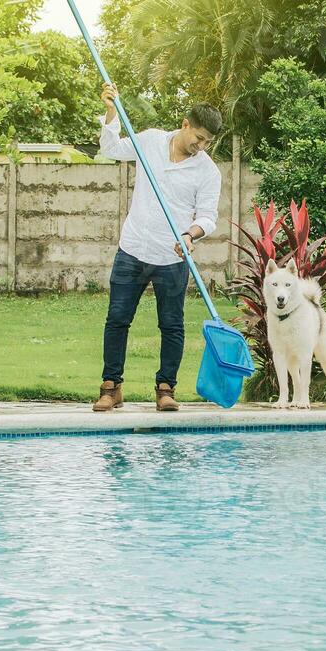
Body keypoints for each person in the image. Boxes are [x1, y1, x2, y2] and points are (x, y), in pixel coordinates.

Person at [92, 82, 223, 412]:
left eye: (208, 141)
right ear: (185, 125)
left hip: (172, 256)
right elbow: (110, 149)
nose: (201, 145)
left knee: (172, 326)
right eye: (199, 137)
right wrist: (111, 110)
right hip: (133, 248)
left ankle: (166, 389)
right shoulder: (148, 141)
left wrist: (190, 235)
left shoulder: (207, 170)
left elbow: (208, 216)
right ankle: (111, 388)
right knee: (118, 319)